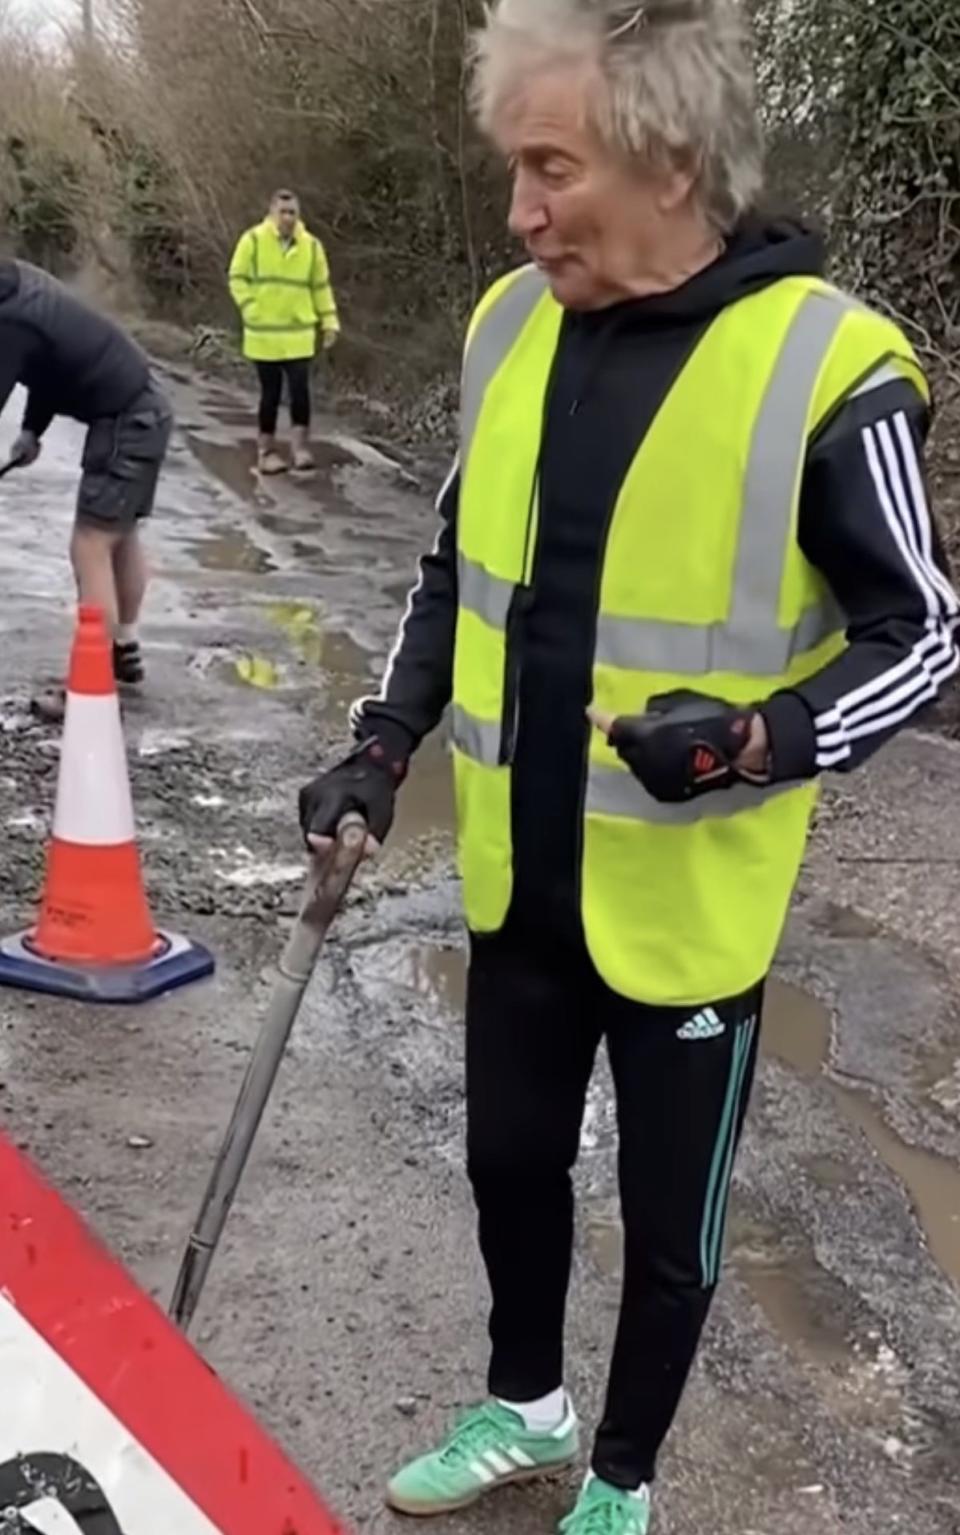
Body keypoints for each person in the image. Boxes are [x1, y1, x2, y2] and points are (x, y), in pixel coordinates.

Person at [299, 1, 960, 1531]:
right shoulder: (507, 326)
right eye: (513, 169)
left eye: (551, 168)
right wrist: (380, 742)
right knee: (510, 1170)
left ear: (669, 164)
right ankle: (526, 1411)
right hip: (519, 885)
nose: (521, 211)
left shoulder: (829, 364)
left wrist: (756, 735)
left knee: (670, 1231)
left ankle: (620, 1483)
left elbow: (923, 636)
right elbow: (452, 567)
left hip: (688, 916)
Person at [0, 259, 172, 706]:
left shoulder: (10, 320)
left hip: (123, 420)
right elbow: (49, 367)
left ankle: (92, 686)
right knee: (120, 533)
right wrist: (32, 431)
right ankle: (124, 649)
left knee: (91, 544)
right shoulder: (26, 286)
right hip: (145, 406)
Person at [228, 189, 340, 476]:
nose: (288, 218)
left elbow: (321, 287)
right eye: (283, 212)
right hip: (264, 335)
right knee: (271, 394)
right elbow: (237, 277)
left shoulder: (312, 247)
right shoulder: (252, 241)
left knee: (301, 393)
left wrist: (329, 323)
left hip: (298, 335)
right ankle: (266, 451)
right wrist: (251, 307)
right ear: (272, 212)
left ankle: (300, 448)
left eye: (293, 213)